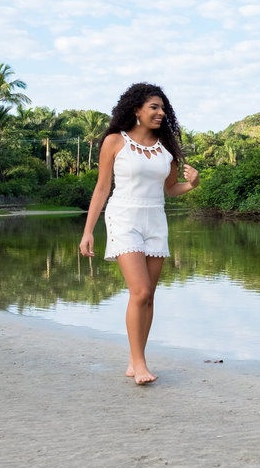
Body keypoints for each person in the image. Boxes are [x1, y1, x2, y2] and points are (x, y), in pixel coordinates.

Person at [79, 83, 199, 385]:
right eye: (153, 107)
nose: (160, 113)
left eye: (162, 108)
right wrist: (88, 231)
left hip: (155, 221)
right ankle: (139, 363)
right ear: (137, 110)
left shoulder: (165, 149)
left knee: (149, 297)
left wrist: (193, 185)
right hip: (123, 218)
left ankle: (137, 359)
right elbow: (102, 188)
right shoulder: (114, 142)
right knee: (140, 291)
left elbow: (171, 190)